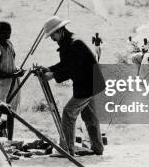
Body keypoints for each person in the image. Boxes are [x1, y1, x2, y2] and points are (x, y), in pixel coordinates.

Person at [41, 16, 105, 157]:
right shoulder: (70, 43)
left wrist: (53, 75)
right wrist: (49, 68)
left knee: (68, 113)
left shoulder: (74, 44)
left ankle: (67, 149)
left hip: (87, 84)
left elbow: (72, 68)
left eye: (53, 35)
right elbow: (66, 64)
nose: (52, 39)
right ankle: (97, 147)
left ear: (60, 31)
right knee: (89, 116)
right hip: (91, 83)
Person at [0, 21, 24, 141]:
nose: (9, 35)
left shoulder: (9, 44)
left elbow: (12, 63)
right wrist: (13, 74)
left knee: (11, 113)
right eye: (7, 33)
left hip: (13, 83)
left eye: (10, 32)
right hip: (2, 84)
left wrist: (18, 71)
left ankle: (10, 140)